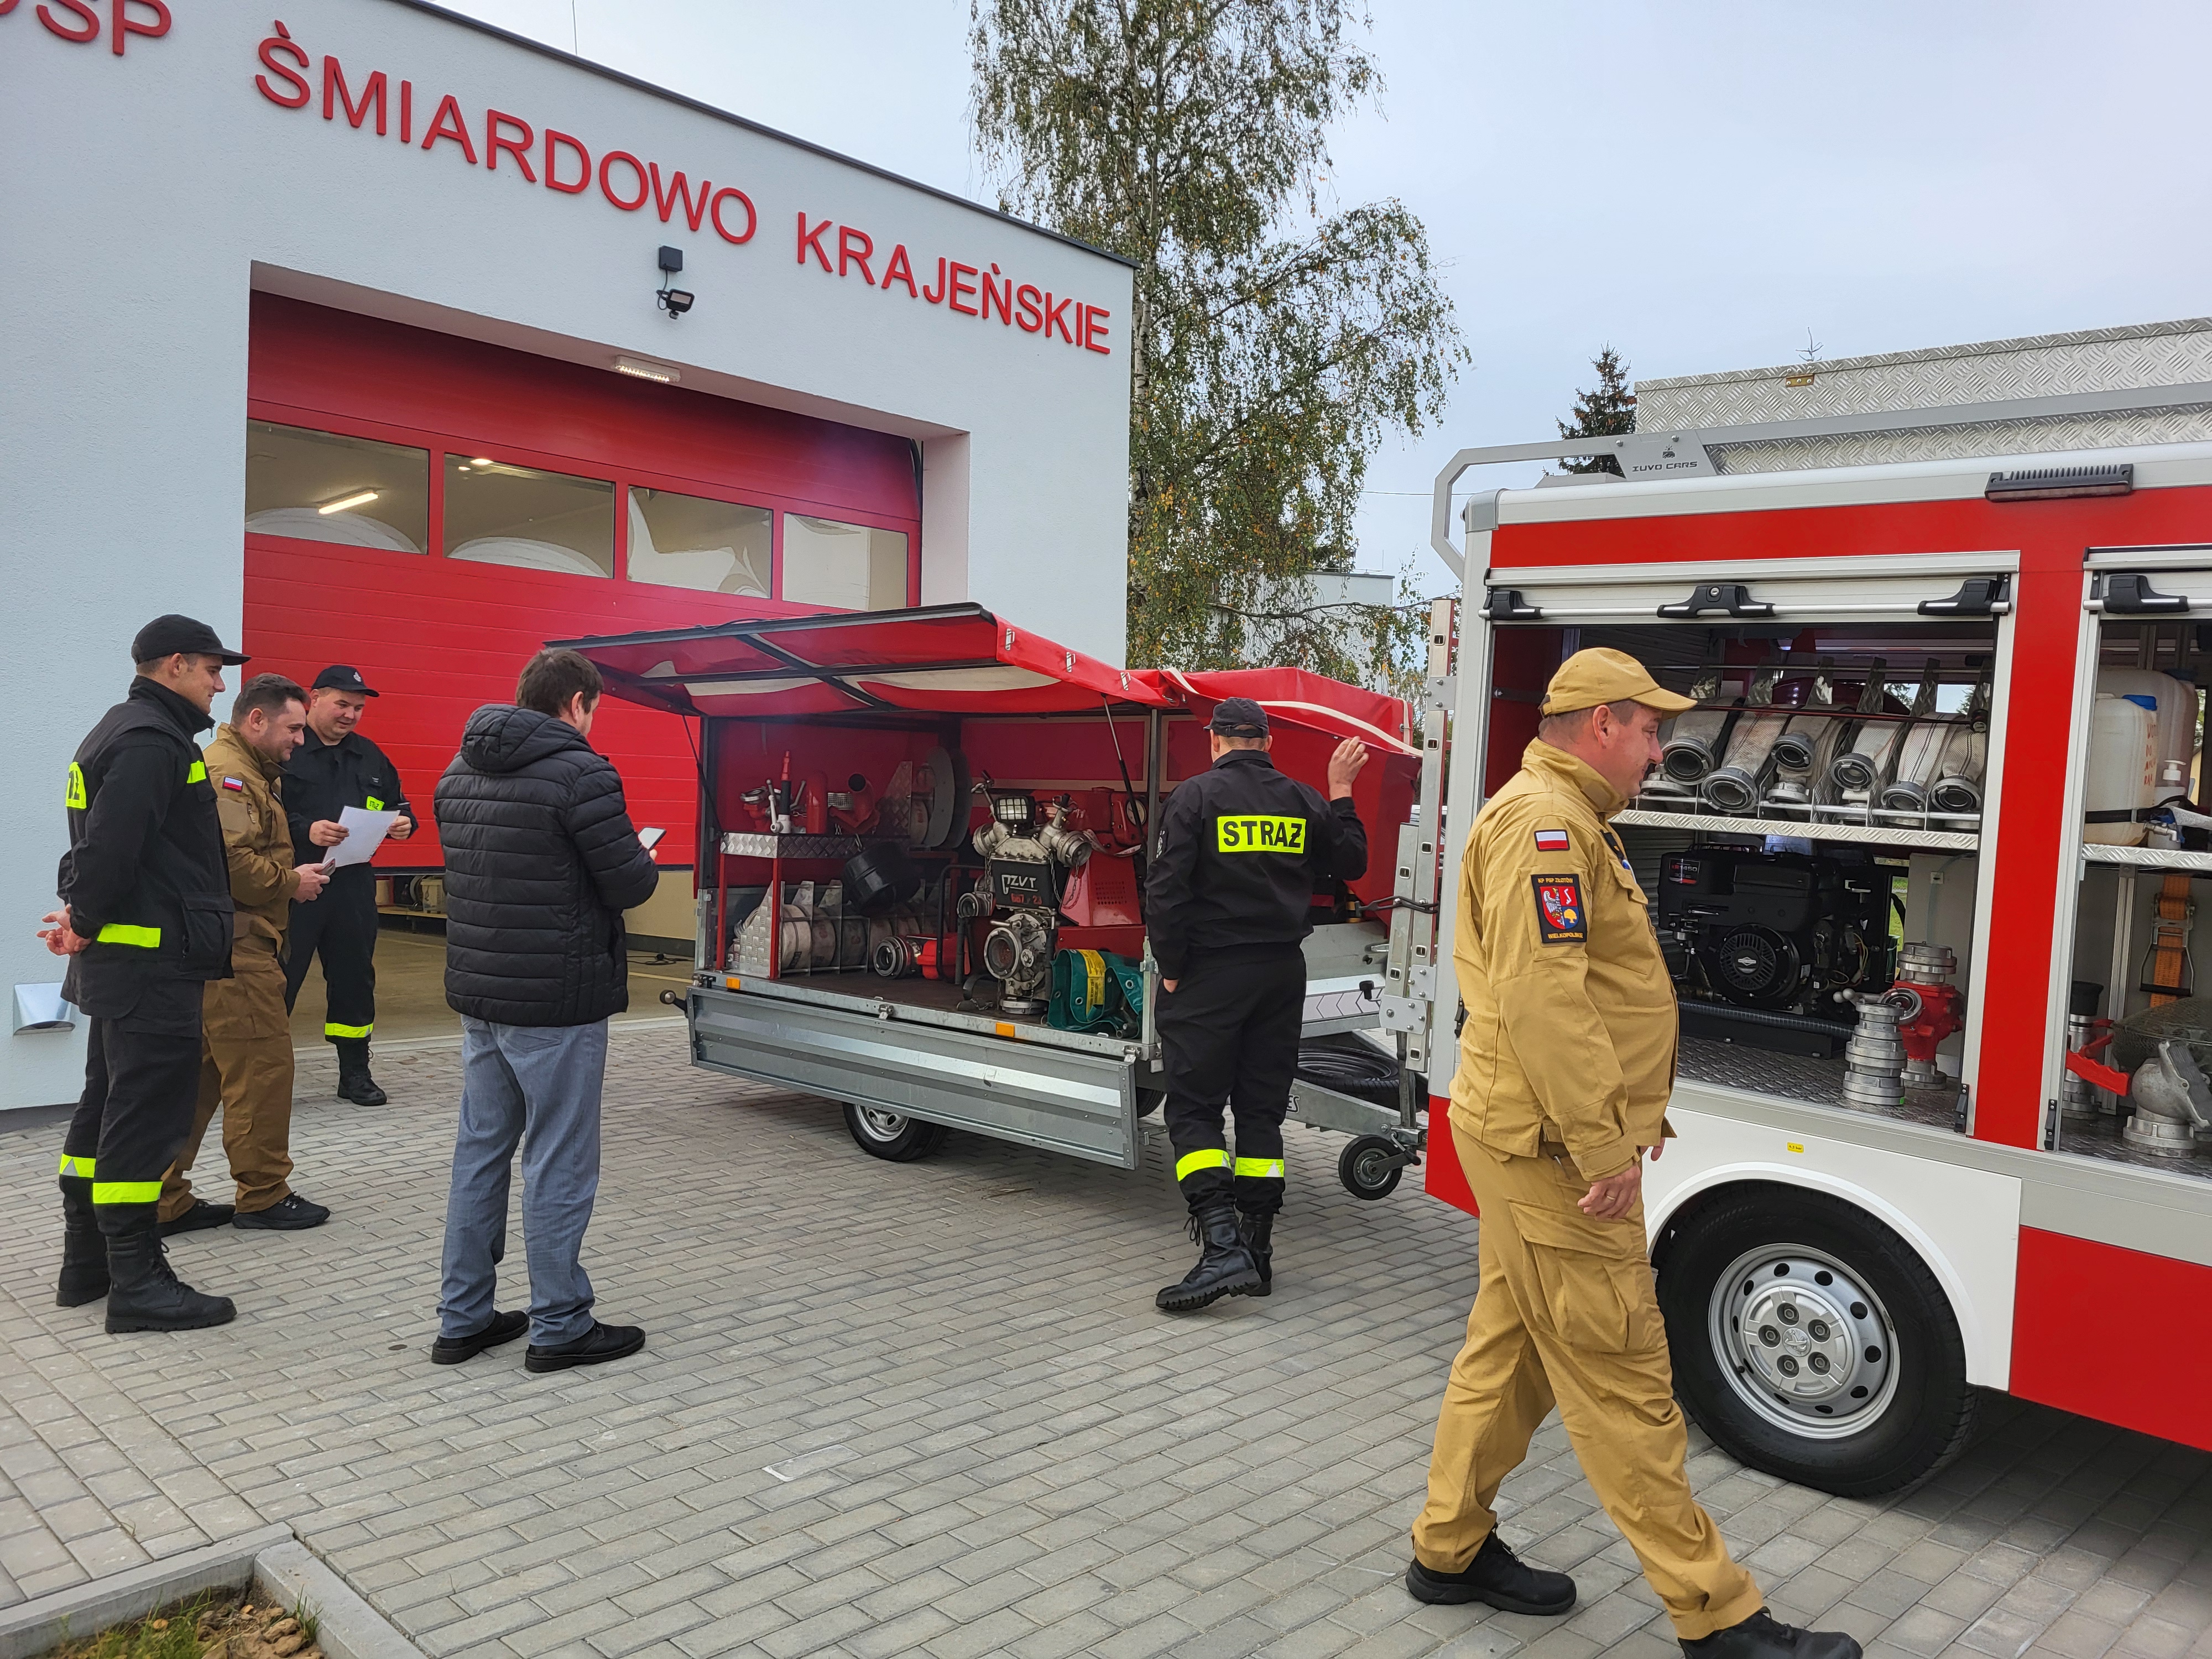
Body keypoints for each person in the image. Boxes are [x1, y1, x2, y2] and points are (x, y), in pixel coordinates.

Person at [1404, 649, 1859, 1659]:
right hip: (1555, 1148)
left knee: (1513, 1348)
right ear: (1601, 723)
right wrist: (1604, 1143)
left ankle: (1448, 1547)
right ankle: (1716, 1614)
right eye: (1650, 732)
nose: (1658, 753)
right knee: (1622, 1374)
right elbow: (1545, 998)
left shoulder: (1566, 818)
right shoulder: (1547, 826)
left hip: (1528, 1133)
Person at [431, 647, 658, 1371]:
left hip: (483, 994)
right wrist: (643, 856)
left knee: (481, 1151)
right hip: (557, 1000)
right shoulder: (582, 773)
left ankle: (463, 1319)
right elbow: (628, 884)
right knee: (559, 1156)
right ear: (579, 703)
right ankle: (560, 1324)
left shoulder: (457, 771)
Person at [40, 616, 248, 1333]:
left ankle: (87, 1264)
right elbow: (111, 850)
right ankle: (137, 1282)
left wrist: (82, 915)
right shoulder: (153, 741)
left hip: (125, 964)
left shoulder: (116, 730)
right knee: (144, 1119)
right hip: (151, 965)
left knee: (105, 1106)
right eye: (213, 670)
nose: (219, 684)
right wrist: (84, 915)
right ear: (175, 664)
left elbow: (101, 850)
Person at [1143, 697, 1370, 1313]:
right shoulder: (1303, 800)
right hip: (1281, 973)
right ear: (1268, 742)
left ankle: (1222, 1248)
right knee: (1260, 1111)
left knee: (1194, 1110)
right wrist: (1341, 790)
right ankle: (1257, 1250)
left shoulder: (1194, 798)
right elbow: (1352, 861)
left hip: (1211, 973)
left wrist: (1171, 967)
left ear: (1215, 741)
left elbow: (1165, 890)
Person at [157, 675, 335, 1237]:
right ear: (256, 720)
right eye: (293, 728)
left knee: (200, 1080)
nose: (300, 740)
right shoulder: (230, 775)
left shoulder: (248, 771)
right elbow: (231, 861)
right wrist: (292, 882)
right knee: (261, 1071)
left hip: (221, 946)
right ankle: (263, 1194)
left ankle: (160, 1198)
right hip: (238, 949)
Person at [282, 664, 414, 1107]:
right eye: (342, 704)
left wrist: (404, 824)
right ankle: (259, 1075)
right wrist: (306, 830)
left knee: (354, 980)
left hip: (353, 885)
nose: (350, 715)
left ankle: (355, 1074)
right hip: (295, 883)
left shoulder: (370, 756)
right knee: (279, 980)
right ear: (314, 698)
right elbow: (261, 812)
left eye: (357, 708)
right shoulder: (287, 749)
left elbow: (398, 804)